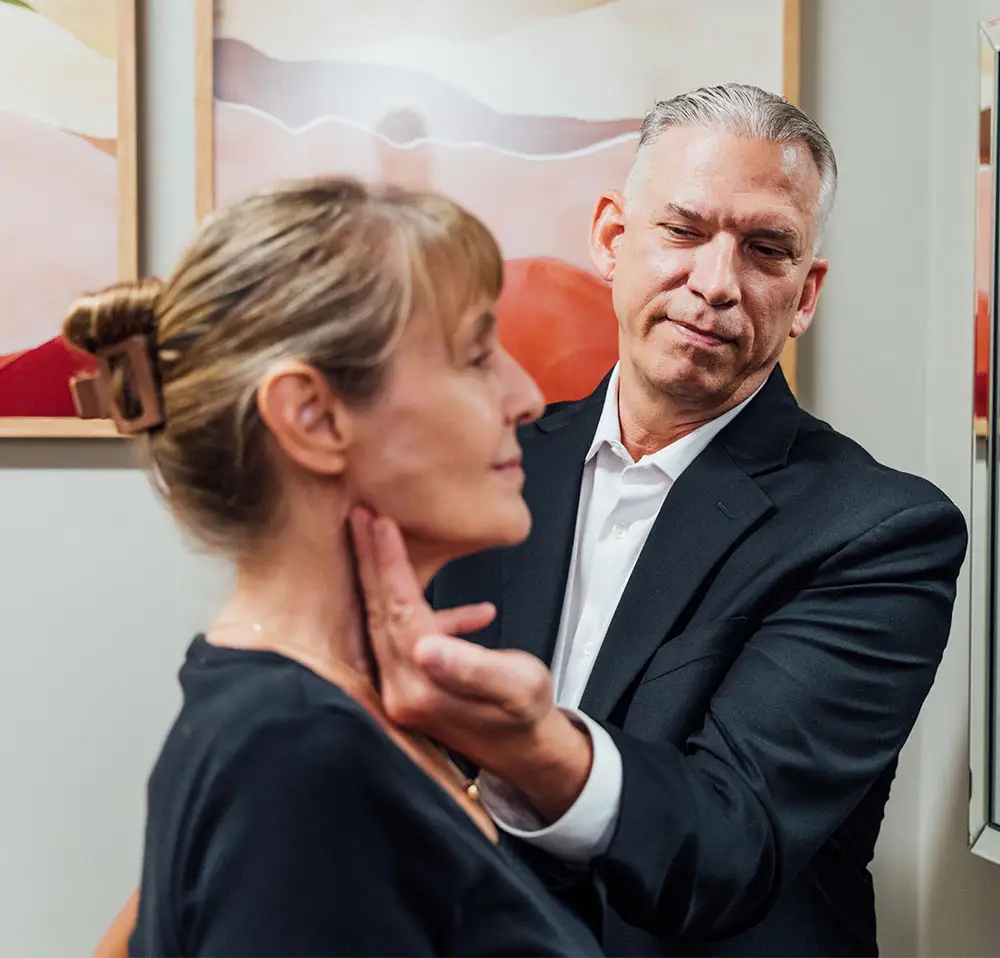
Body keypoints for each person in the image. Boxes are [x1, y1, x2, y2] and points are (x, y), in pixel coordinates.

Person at [346, 84, 970, 957]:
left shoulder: (883, 530)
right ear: (611, 239)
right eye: (683, 231)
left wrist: (531, 747)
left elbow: (735, 837)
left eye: (766, 249)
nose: (715, 285)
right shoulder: (484, 466)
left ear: (805, 294)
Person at [73, 177, 604, 957]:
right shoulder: (295, 755)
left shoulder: (314, 719)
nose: (526, 396)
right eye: (476, 356)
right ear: (314, 418)